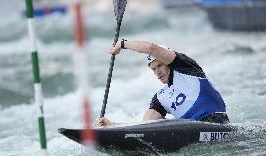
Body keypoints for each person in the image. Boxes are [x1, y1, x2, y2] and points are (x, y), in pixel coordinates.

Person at [95, 40, 229, 126]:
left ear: (169, 63)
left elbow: (151, 48)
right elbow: (144, 128)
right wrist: (112, 125)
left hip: (218, 124)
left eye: (160, 66)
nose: (157, 72)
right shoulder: (161, 97)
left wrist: (123, 44)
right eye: (153, 69)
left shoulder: (187, 68)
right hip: (189, 130)